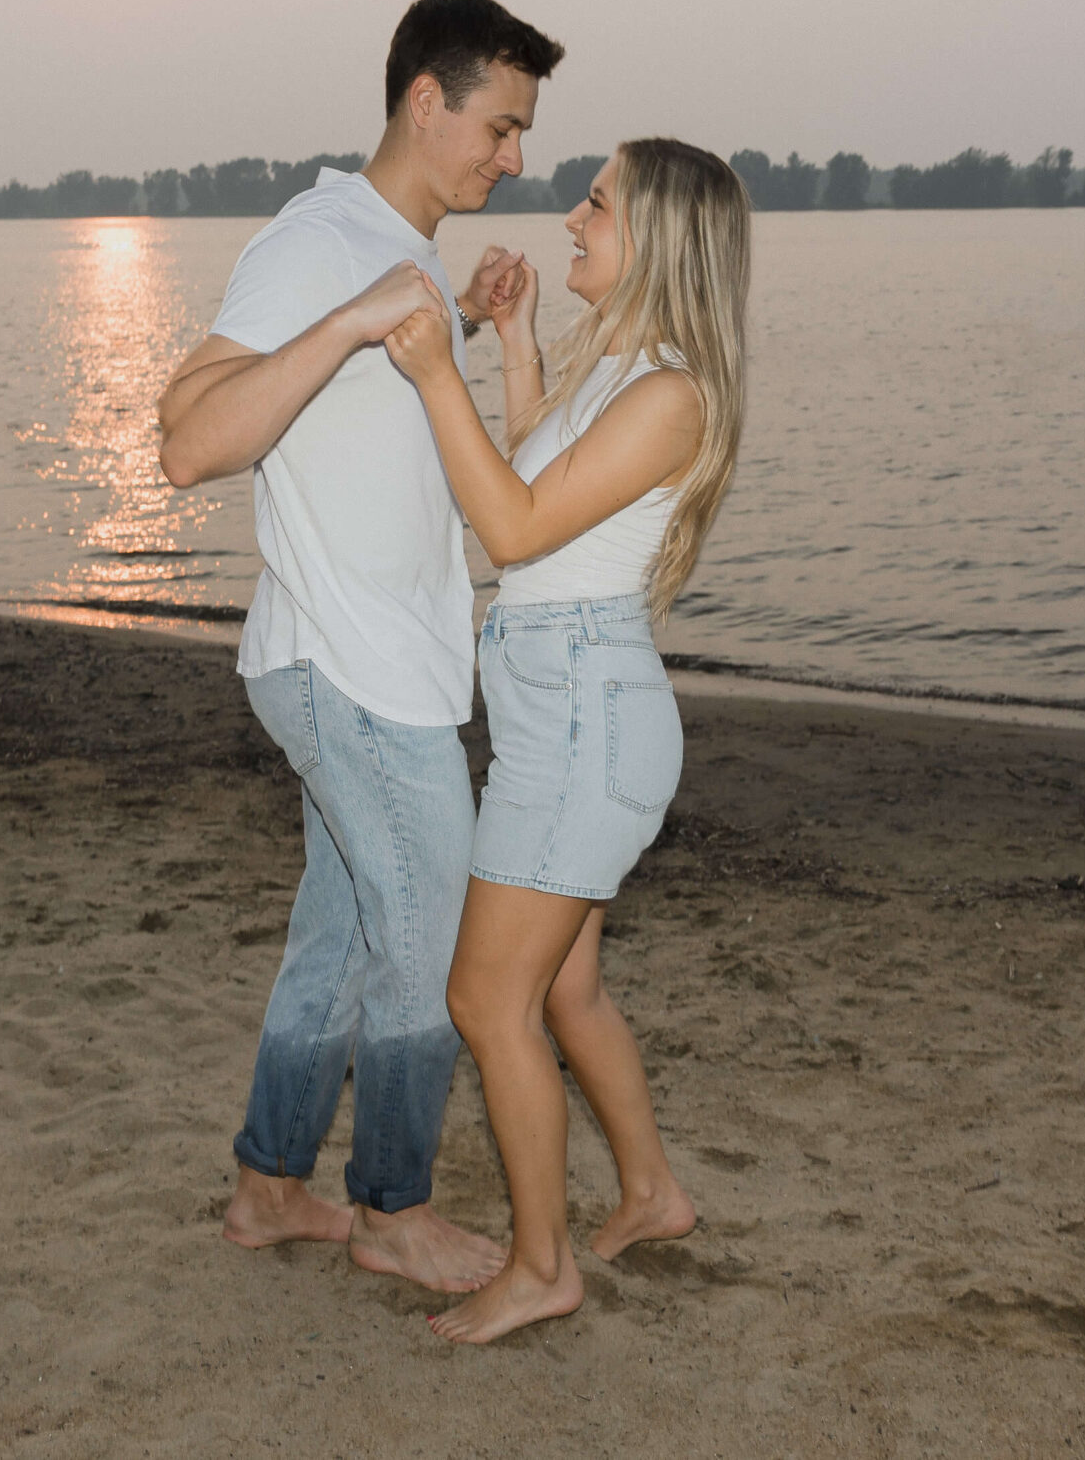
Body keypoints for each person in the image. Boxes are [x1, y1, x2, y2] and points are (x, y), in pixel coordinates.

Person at [154, 0, 564, 1293]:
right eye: (499, 126)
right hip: (347, 666)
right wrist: (345, 321)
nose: (516, 157)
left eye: (525, 133)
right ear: (424, 100)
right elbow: (184, 437)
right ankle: (391, 1206)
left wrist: (477, 328)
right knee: (428, 937)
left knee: (341, 936)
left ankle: (272, 1186)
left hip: (388, 660)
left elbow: (422, 468)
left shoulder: (408, 249)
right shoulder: (322, 240)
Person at [381, 138, 751, 1342]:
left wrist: (433, 370)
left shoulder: (670, 394)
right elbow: (539, 462)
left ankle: (541, 1268)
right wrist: (510, 343)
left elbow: (516, 525)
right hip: (563, 705)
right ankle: (650, 1193)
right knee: (568, 988)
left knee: (489, 1003)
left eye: (598, 202)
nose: (572, 216)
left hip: (585, 722)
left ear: (657, 237)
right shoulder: (621, 371)